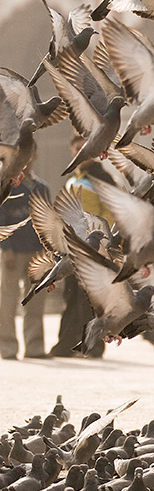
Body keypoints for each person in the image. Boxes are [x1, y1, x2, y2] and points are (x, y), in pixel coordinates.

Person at [50, 135, 116, 358]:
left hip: (93, 251)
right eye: (77, 149)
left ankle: (93, 345)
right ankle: (67, 343)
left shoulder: (103, 179)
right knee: (71, 297)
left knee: (91, 300)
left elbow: (110, 215)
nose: (81, 153)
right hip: (72, 250)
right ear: (71, 152)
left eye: (85, 149)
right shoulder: (73, 179)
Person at [0, 153, 50, 360]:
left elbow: (48, 220)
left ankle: (35, 346)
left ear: (35, 156)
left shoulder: (41, 187)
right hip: (13, 252)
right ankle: (8, 347)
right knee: (7, 302)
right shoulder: (6, 185)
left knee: (36, 301)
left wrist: (48, 250)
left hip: (37, 252)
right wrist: (6, 248)